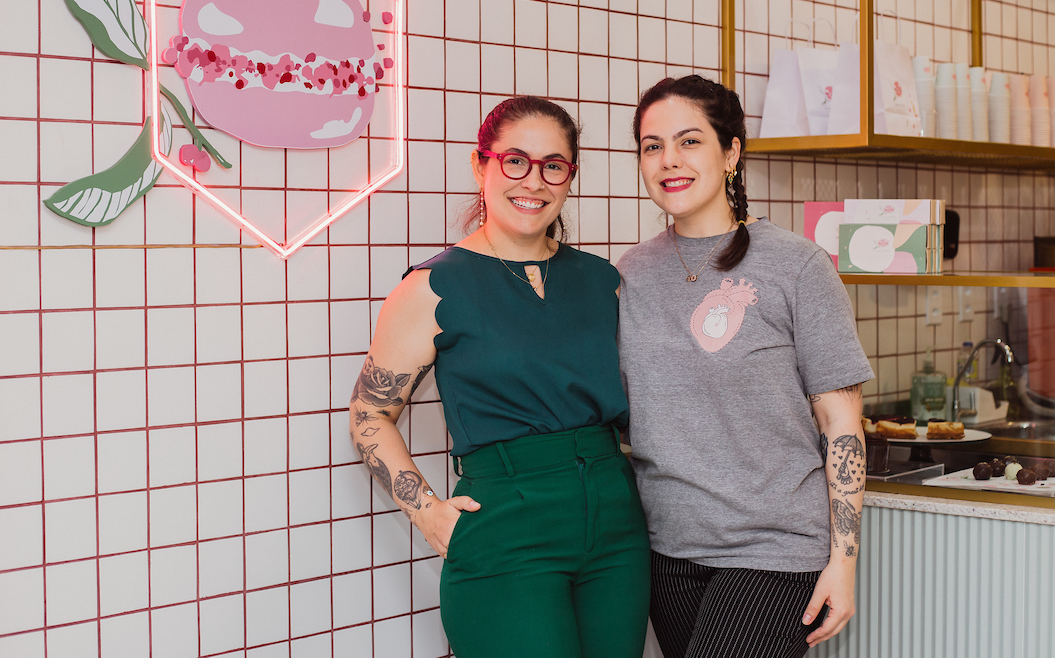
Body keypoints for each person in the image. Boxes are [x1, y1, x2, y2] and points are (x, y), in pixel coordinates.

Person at [347, 96, 651, 658]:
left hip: (616, 525)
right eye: (516, 160)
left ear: (569, 177)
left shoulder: (602, 280)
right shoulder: (433, 287)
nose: (533, 181)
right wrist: (427, 513)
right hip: (507, 523)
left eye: (553, 165)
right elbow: (369, 414)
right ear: (480, 165)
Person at [616, 75, 873, 658]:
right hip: (667, 551)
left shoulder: (797, 266)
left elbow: (842, 427)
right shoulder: (631, 274)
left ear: (731, 152)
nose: (668, 161)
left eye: (689, 141)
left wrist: (844, 562)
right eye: (652, 146)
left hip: (773, 551)